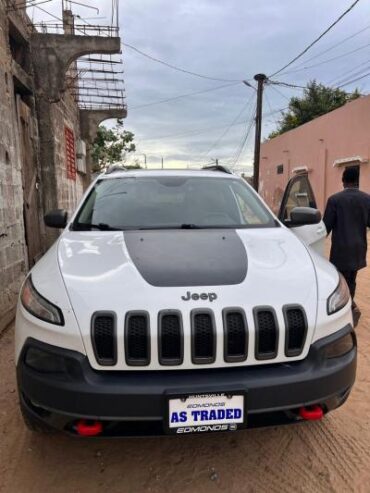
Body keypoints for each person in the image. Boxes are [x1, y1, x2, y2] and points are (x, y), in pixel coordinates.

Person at [323, 166, 370, 321]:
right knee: (352, 279)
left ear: (343, 180)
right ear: (357, 181)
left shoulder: (334, 200)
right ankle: (350, 305)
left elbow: (325, 228)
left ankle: (345, 309)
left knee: (339, 281)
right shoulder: (367, 199)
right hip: (359, 249)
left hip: (340, 250)